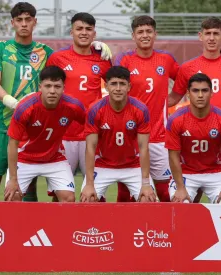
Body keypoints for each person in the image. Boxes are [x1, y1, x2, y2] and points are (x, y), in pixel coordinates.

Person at [0, 2, 112, 202]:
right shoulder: (1, 47)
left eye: (28, 20)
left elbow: (115, 83)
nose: (24, 24)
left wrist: (99, 45)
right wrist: (5, 99)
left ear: (35, 22)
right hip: (6, 119)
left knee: (41, 186)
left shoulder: (47, 53)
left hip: (55, 127)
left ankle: (41, 229)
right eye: (19, 20)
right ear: (12, 23)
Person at [168, 16, 221, 199]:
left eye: (216, 34)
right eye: (208, 34)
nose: (211, 38)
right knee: (190, 195)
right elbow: (175, 97)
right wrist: (150, 104)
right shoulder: (188, 67)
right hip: (193, 135)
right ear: (200, 36)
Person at [113, 16, 180, 202]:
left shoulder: (166, 59)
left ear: (155, 34)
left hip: (159, 137)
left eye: (148, 31)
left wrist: (171, 100)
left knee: (164, 191)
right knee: (125, 192)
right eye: (140, 32)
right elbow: (114, 86)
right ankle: (124, 229)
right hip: (131, 136)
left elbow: (184, 79)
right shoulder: (124, 59)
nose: (145, 35)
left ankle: (168, 230)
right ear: (133, 36)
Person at [46, 12, 112, 201]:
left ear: (94, 33)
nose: (84, 33)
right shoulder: (58, 58)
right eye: (79, 29)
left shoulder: (103, 58)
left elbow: (116, 89)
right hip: (64, 133)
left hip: (92, 134)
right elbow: (45, 91)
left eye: (88, 29)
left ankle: (94, 230)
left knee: (94, 195)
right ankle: (57, 230)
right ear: (71, 32)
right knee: (61, 194)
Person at [4, 66, 86, 202]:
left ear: (63, 88)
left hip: (54, 158)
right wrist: (13, 180)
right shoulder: (25, 107)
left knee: (69, 199)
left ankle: (55, 224)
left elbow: (92, 125)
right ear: (40, 87)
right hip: (25, 158)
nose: (52, 91)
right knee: (13, 197)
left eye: (57, 86)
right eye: (48, 86)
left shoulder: (74, 106)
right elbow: (13, 143)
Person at [80, 66, 156, 203]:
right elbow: (90, 148)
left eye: (122, 84)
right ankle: (99, 225)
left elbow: (144, 148)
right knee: (88, 199)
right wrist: (89, 184)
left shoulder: (140, 109)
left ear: (129, 87)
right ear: (107, 86)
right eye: (114, 84)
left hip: (132, 165)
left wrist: (145, 183)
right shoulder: (95, 109)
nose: (118, 88)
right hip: (103, 164)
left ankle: (138, 225)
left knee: (148, 199)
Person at [166, 73, 221, 204]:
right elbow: (173, 156)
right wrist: (180, 188)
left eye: (204, 91)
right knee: (180, 205)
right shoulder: (176, 119)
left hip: (215, 172)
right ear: (188, 93)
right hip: (186, 173)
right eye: (195, 91)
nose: (200, 95)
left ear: (211, 93)